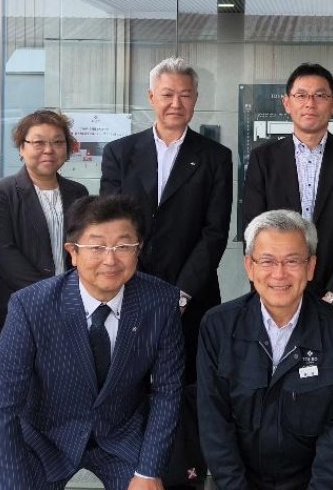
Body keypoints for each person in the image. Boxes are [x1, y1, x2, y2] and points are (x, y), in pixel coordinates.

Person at [0, 194, 183, 490]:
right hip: (44, 440)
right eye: (97, 247)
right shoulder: (31, 306)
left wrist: (148, 471)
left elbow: (167, 391)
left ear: (138, 250)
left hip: (120, 439)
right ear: (73, 252)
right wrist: (12, 482)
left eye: (123, 246)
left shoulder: (161, 302)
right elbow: (2, 403)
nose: (110, 260)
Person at [100, 57, 232, 486]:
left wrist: (181, 293)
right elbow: (110, 226)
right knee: (128, 384)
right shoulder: (121, 153)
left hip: (191, 296)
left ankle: (184, 473)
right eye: (168, 94)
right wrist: (131, 283)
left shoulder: (215, 157)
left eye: (185, 95)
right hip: (129, 293)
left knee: (184, 386)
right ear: (151, 97)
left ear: (196, 100)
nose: (176, 103)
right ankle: (130, 470)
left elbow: (214, 233)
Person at [197, 209, 333, 490]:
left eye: (292, 261)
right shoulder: (218, 327)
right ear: (249, 266)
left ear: (310, 267)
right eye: (267, 261)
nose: (279, 273)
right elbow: (214, 424)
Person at [0, 109, 89, 488]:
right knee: (6, 411)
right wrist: (55, 298)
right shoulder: (2, 192)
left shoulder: (78, 194)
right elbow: (4, 254)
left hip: (67, 318)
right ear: (21, 147)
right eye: (38, 142)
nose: (48, 150)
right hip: (12, 315)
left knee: (51, 408)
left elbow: (83, 253)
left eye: (57, 142)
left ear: (68, 149)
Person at [239, 63, 333, 325]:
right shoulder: (263, 159)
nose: (310, 104)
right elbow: (253, 231)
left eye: (320, 95)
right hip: (277, 294)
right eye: (301, 95)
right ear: (287, 103)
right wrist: (271, 289)